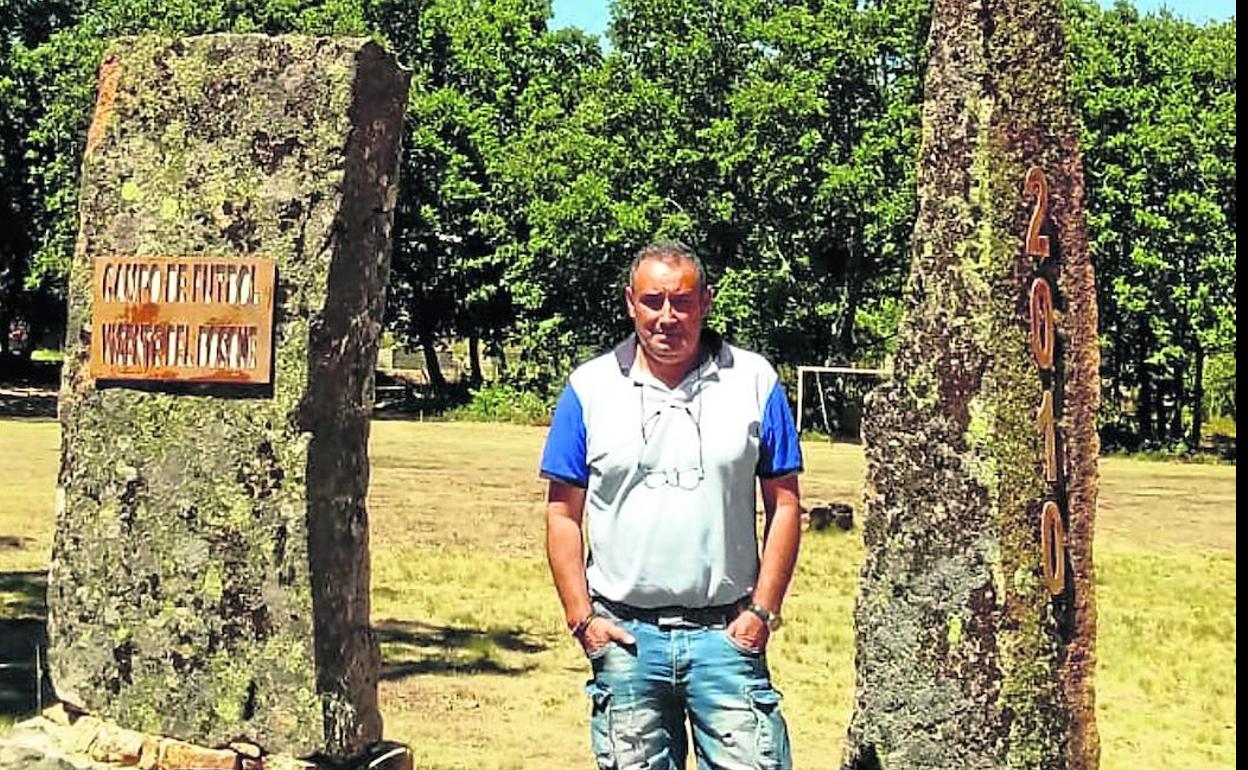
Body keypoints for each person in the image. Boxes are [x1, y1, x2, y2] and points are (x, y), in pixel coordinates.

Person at [541, 241, 803, 770]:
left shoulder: (754, 381)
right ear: (629, 304)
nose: (667, 317)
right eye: (653, 301)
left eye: (681, 301)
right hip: (625, 640)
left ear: (706, 302)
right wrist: (582, 621)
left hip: (726, 639)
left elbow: (786, 505)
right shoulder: (588, 389)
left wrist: (761, 614)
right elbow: (562, 514)